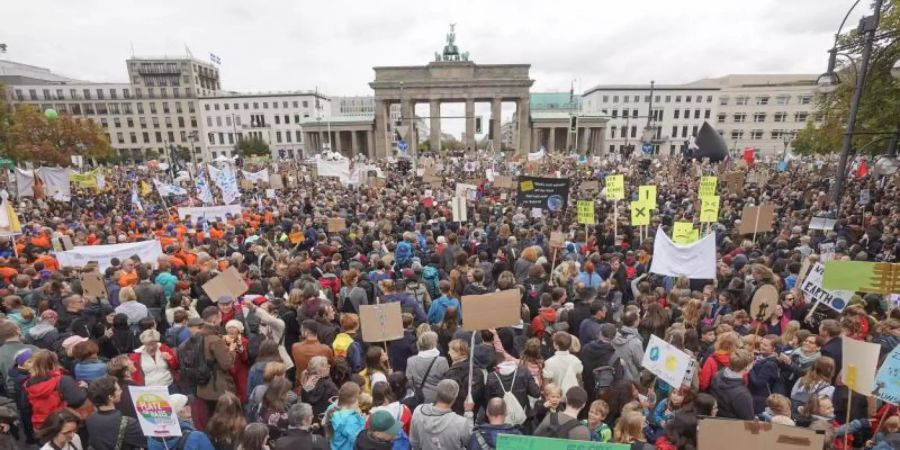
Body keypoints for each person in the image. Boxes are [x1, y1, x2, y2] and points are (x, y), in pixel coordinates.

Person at [24, 350, 88, 430]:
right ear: (54, 362)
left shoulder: (27, 384)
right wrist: (83, 388)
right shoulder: (62, 380)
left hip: (41, 423)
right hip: (62, 421)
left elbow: (26, 407)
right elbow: (77, 399)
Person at [409, 379, 474, 450]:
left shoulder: (418, 411)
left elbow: (414, 442)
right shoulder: (461, 423)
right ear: (455, 398)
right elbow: (470, 442)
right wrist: (468, 412)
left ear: (436, 393)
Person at [85, 376, 147, 450]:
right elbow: (146, 442)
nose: (121, 391)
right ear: (110, 397)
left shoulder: (90, 419)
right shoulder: (128, 423)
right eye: (118, 389)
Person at [196, 307, 236, 415]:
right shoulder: (215, 340)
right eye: (220, 317)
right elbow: (226, 364)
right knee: (222, 417)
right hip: (217, 387)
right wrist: (232, 351)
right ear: (215, 319)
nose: (221, 320)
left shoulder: (197, 336)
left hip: (202, 386)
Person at [709, 348, 755, 420]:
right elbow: (748, 419)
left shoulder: (718, 374)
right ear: (746, 367)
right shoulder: (742, 394)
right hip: (731, 426)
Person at [405, 331, 449, 405]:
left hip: (419, 398)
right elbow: (446, 382)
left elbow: (410, 380)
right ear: (433, 344)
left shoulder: (411, 360)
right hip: (437, 399)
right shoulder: (442, 361)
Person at [326, 382, 366, 450]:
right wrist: (361, 419)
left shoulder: (331, 408)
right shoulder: (350, 419)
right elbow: (358, 440)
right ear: (355, 399)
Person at [224, 320, 250, 404]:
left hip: (240, 372)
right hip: (228, 372)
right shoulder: (222, 341)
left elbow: (245, 358)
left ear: (239, 330)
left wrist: (240, 348)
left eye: (233, 327)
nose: (231, 330)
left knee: (242, 394)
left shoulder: (244, 341)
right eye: (229, 328)